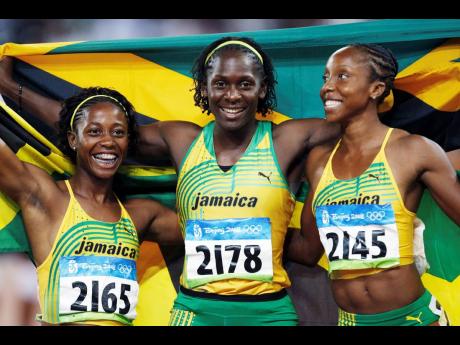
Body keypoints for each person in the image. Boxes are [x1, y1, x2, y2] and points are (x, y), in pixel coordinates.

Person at [0, 37, 339, 326]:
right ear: (204, 88)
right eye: (220, 83)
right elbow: (96, 128)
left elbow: (354, 124)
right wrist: (11, 87)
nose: (232, 95)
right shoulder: (180, 140)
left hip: (269, 310)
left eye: (245, 84)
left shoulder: (290, 139)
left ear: (262, 88)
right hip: (195, 310)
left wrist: (384, 86)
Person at [290, 43, 460, 326]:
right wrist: (255, 231)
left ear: (376, 89)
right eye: (325, 77)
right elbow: (309, 250)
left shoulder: (413, 150)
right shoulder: (319, 162)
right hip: (350, 320)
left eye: (342, 76)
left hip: (413, 318)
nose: (327, 87)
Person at [0, 86, 181, 325]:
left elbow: (211, 231)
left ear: (128, 143)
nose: (108, 141)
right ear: (73, 139)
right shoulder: (46, 198)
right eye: (94, 132)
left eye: (118, 133)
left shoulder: (141, 215)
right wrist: (10, 85)